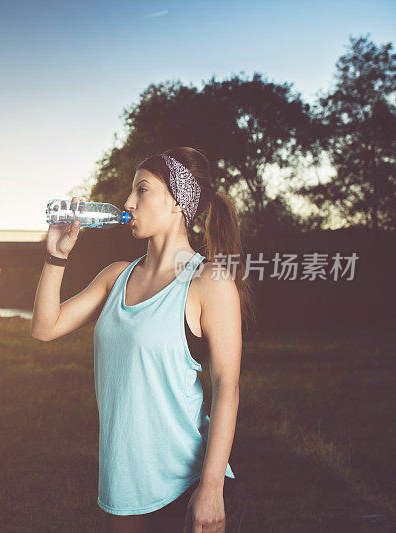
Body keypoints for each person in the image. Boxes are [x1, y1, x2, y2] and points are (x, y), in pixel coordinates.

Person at [30, 147, 256, 532]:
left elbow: (227, 387)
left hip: (183, 483)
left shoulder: (209, 283)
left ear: (176, 202)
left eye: (142, 190)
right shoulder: (115, 275)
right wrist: (56, 256)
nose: (128, 202)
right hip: (122, 480)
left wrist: (212, 486)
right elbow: (44, 327)